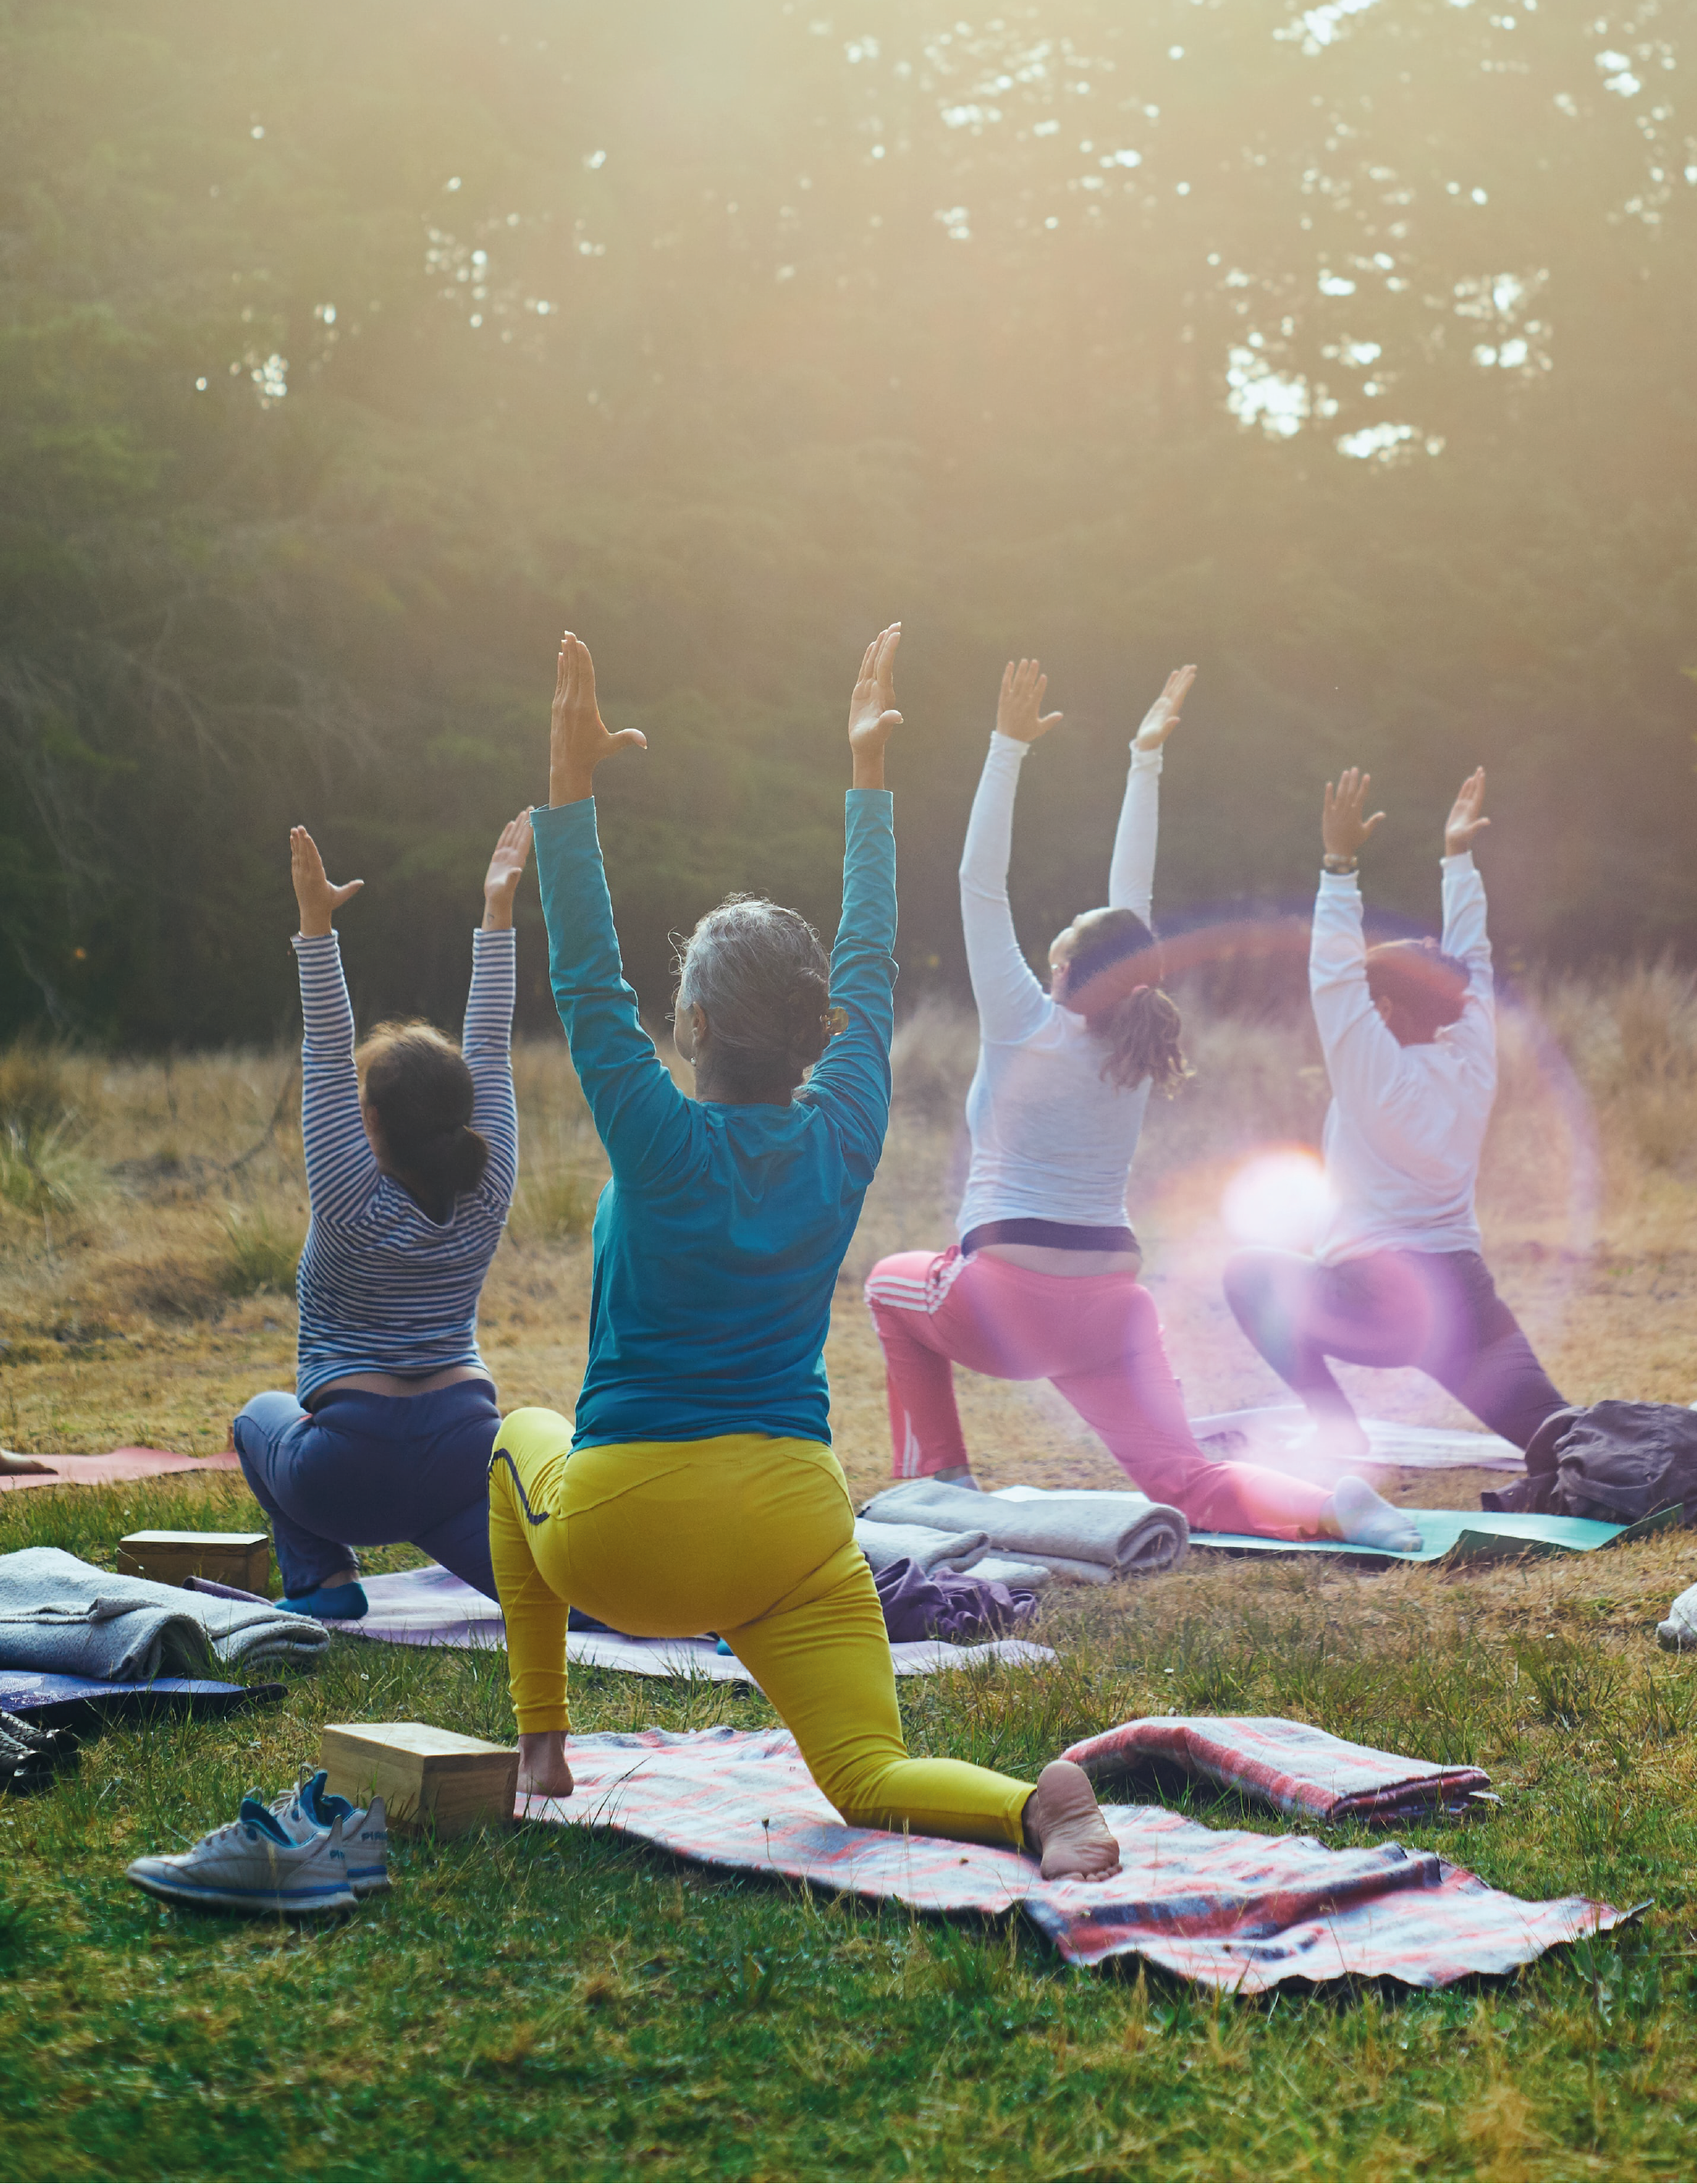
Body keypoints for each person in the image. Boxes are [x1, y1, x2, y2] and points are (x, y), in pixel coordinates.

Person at [489, 626, 1121, 1880]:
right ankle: (1035, 1805)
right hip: (792, 1526)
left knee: (515, 1429)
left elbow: (584, 977)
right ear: (816, 1027)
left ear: (698, 1025)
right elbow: (873, 969)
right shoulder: (842, 1136)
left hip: (627, 1541)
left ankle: (541, 1744)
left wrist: (568, 795)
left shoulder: (656, 1134)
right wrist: (868, 786)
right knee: (864, 1776)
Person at [864, 660, 1417, 1554]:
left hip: (1004, 1301)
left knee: (888, 1284)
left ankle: (939, 1482)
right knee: (1182, 1475)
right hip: (1112, 1304)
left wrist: (1005, 746)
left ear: (1059, 970)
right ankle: (1335, 1503)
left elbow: (979, 880)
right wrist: (1144, 760)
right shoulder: (1132, 1037)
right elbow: (1135, 909)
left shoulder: (1024, 1022)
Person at [232, 811, 532, 1620]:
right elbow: (492, 1044)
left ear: (366, 1121)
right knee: (559, 1596)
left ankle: (325, 1582)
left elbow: (326, 1048)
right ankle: (697, 1605)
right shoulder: (490, 1181)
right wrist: (497, 913)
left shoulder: (345, 1196)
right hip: (465, 1457)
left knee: (255, 1417)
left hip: (347, 1472)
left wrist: (316, 924)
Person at [1223, 766, 1570, 1460]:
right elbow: (1474, 959)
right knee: (1567, 1438)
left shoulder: (1370, 1071)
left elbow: (1332, 975)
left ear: (1382, 1009)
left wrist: (1339, 865)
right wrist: (1458, 860)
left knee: (1247, 1273)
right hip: (1465, 1304)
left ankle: (1336, 1428)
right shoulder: (1473, 1057)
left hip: (1373, 1304)